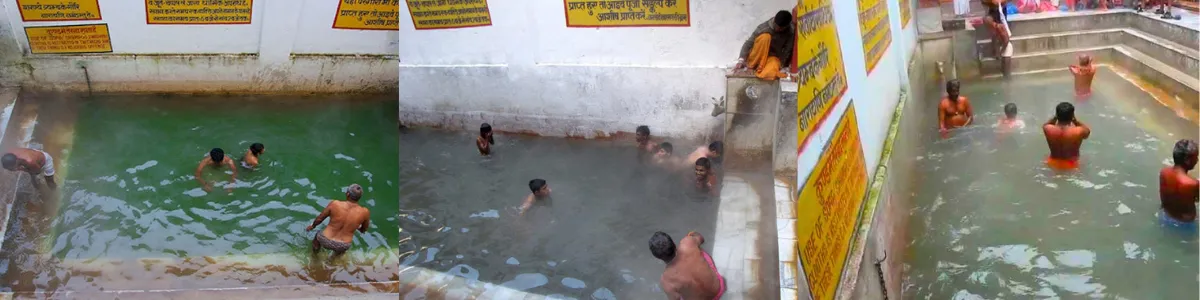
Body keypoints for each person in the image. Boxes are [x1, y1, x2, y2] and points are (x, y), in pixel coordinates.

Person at [649, 231, 725, 300]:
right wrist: (691, 235)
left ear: (658, 257)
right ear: (674, 244)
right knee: (698, 250)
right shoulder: (687, 243)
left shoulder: (666, 280)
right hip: (719, 287)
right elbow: (701, 239)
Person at [306, 184, 371, 256]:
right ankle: (332, 263)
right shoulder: (365, 212)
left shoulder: (335, 204)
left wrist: (312, 226)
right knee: (338, 255)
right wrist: (357, 227)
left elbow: (320, 218)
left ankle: (315, 257)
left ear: (348, 194)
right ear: (359, 197)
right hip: (343, 245)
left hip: (325, 239)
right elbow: (364, 229)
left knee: (316, 239)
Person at [734, 10, 794, 81]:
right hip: (756, 58)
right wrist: (741, 60)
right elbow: (749, 43)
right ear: (774, 20)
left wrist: (782, 64)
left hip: (771, 57)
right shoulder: (764, 28)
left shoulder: (790, 31)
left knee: (771, 73)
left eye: (781, 28)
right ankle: (751, 66)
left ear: (786, 26)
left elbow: (788, 49)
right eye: (777, 26)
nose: (778, 29)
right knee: (765, 37)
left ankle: (761, 69)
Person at [1159, 139, 1198, 229]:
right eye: (1196, 157)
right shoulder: (1193, 183)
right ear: (1187, 160)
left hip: (1165, 216)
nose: (1197, 160)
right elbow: (1197, 199)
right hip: (1185, 224)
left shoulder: (1164, 172)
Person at [1042, 102, 1091, 170]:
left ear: (1057, 115)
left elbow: (1047, 124)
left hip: (1052, 163)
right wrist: (1076, 121)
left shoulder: (1047, 128)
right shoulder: (1079, 131)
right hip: (1072, 164)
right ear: (1072, 116)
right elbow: (1087, 133)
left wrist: (1055, 117)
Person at [984, 5, 1013, 77]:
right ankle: (1005, 83)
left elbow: (1006, 40)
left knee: (1006, 68)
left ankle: (1008, 82)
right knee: (1003, 70)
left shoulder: (1000, 27)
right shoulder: (992, 29)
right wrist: (995, 50)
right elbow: (994, 39)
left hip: (1006, 46)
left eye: (987, 24)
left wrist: (1000, 52)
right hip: (1000, 45)